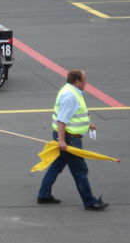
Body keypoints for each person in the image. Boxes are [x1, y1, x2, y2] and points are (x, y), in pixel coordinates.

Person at [37, 69, 109, 211]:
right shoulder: (70, 95)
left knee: (57, 165)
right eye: (84, 80)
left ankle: (43, 194)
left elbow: (75, 114)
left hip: (67, 136)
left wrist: (88, 124)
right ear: (77, 81)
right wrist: (62, 141)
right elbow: (62, 120)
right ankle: (89, 201)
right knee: (80, 170)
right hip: (69, 138)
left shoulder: (72, 91)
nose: (86, 83)